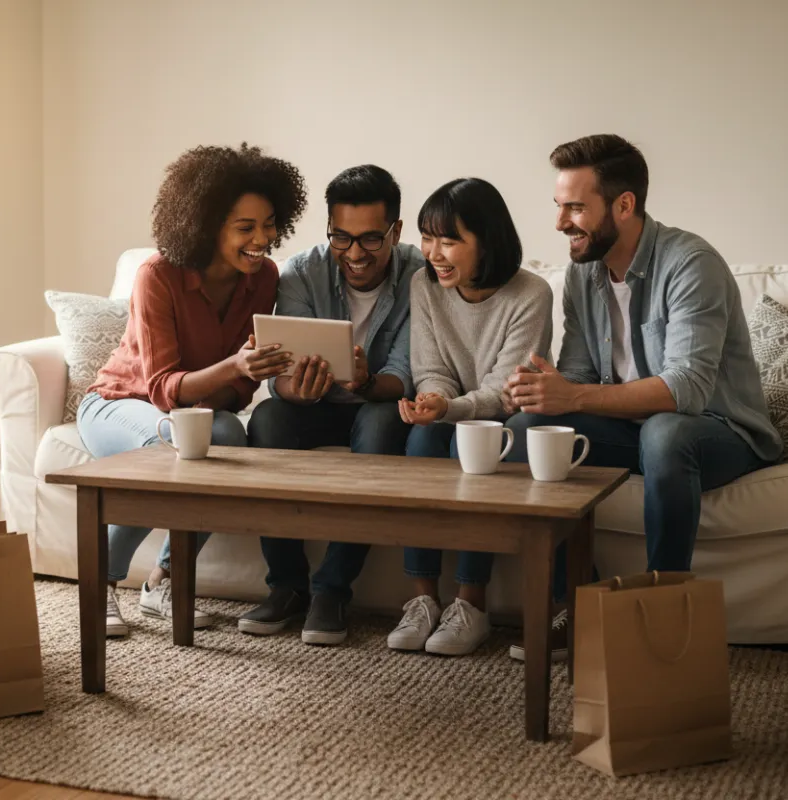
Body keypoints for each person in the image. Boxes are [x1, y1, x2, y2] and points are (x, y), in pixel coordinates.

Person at [502, 133, 781, 662]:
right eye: (559, 206)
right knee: (526, 432)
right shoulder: (582, 273)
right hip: (639, 430)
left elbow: (686, 389)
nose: (561, 222)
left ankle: (663, 613)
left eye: (576, 208)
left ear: (624, 205)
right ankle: (580, 602)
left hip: (719, 431)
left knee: (666, 431)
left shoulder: (690, 263)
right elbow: (582, 375)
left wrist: (575, 396)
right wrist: (544, 389)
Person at [78, 143, 307, 638]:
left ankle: (164, 580)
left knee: (227, 438)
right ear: (207, 225)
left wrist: (254, 370)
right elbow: (162, 389)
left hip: (195, 411)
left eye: (268, 225)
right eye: (245, 228)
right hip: (118, 405)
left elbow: (241, 389)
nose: (262, 239)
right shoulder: (157, 276)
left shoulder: (264, 278)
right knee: (177, 442)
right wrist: (234, 367)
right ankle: (100, 584)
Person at [239, 165, 423, 646]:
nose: (354, 254)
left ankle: (332, 590)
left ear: (395, 231)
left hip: (376, 402)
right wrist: (297, 387)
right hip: (314, 405)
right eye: (340, 238)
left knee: (382, 425)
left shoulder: (420, 275)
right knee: (268, 418)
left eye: (369, 240)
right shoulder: (302, 272)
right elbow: (283, 378)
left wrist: (365, 382)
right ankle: (286, 585)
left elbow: (403, 375)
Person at [385, 178, 553, 657]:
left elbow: (506, 391)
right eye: (428, 237)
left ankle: (470, 603)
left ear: (488, 240)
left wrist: (451, 410)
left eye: (450, 240)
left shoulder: (531, 293)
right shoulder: (425, 285)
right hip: (452, 408)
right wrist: (432, 402)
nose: (434, 253)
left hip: (496, 418)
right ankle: (422, 601)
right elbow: (431, 367)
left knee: (470, 446)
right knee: (419, 442)